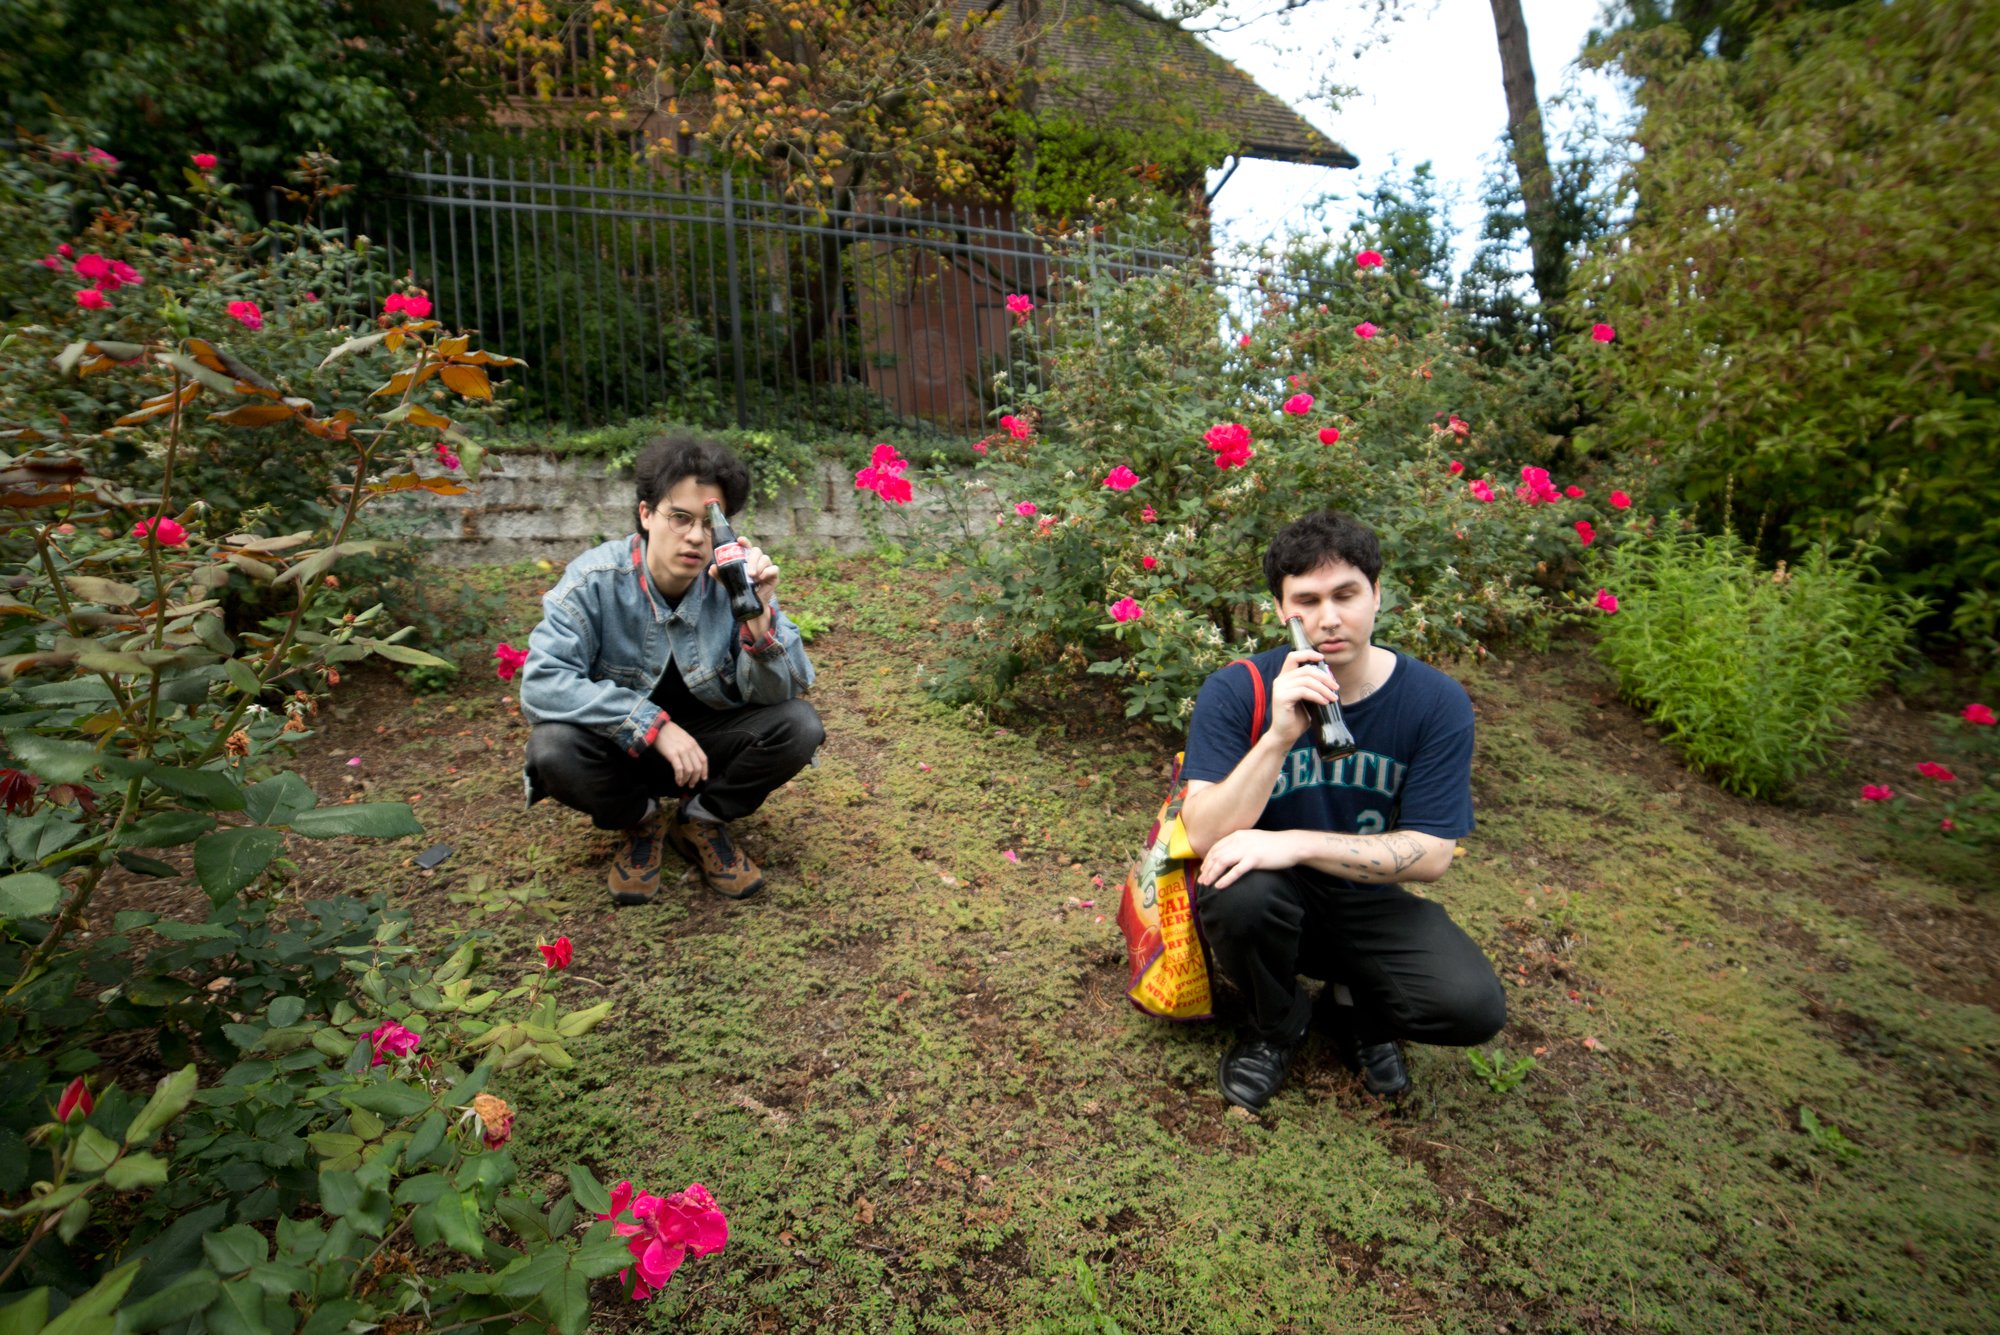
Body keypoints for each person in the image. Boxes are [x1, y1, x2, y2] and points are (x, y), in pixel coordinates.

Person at [1180, 511, 1504, 1110]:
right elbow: (1200, 834)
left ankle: (1355, 1010)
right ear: (1282, 611)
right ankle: (1276, 1026)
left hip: (1366, 897)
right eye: (1307, 601)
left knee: (1470, 1005)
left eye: (1346, 594)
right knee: (1237, 892)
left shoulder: (1435, 702)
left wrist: (1295, 842)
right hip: (1267, 894)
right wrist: (1279, 735)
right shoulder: (1238, 689)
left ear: (1377, 594)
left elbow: (1432, 854)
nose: (1328, 618)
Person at [519, 436, 822, 904]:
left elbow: (781, 695)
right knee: (551, 748)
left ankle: (701, 818)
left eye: (709, 523)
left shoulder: (734, 581)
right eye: (680, 517)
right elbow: (542, 684)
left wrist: (759, 616)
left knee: (800, 726)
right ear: (646, 514)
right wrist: (651, 724)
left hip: (705, 755)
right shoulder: (594, 581)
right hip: (623, 754)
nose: (696, 537)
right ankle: (640, 821)